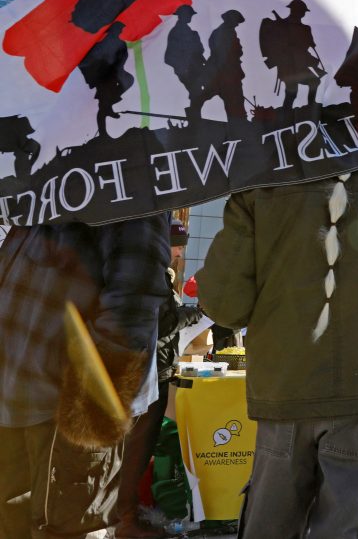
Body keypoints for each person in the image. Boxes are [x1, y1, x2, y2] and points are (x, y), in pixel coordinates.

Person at [196, 162, 358, 539]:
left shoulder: (261, 183)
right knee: (347, 521)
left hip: (287, 382)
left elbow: (224, 304)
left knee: (272, 516)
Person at [0, 215, 170, 539]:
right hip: (15, 396)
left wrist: (91, 400)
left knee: (66, 529)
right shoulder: (49, 178)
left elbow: (135, 294)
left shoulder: (121, 179)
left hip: (62, 407)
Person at [115, 219, 205, 538]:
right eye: (178, 244)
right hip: (150, 373)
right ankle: (123, 518)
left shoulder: (154, 271)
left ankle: (124, 513)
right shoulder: (153, 273)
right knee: (137, 448)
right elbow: (165, 324)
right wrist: (200, 312)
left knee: (139, 448)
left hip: (153, 370)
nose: (181, 252)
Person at [77, 21, 134, 138]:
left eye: (120, 29)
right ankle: (103, 132)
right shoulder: (100, 43)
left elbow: (122, 58)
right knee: (103, 104)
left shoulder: (121, 43)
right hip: (103, 78)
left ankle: (109, 105)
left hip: (115, 75)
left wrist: (119, 70)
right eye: (118, 29)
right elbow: (91, 62)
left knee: (129, 80)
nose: (120, 31)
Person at [191, 10, 246, 121]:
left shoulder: (228, 32)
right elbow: (226, 54)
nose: (237, 24)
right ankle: (194, 114)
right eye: (236, 21)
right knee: (232, 98)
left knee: (233, 100)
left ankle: (239, 122)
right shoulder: (224, 33)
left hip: (224, 72)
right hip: (223, 73)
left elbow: (236, 51)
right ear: (230, 20)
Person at [164, 5, 206, 113]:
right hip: (187, 70)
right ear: (182, 16)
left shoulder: (191, 32)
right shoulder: (176, 33)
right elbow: (169, 56)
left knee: (198, 93)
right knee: (196, 92)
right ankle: (194, 115)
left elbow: (199, 50)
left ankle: (194, 114)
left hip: (196, 68)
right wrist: (182, 68)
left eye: (190, 15)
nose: (190, 17)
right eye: (188, 15)